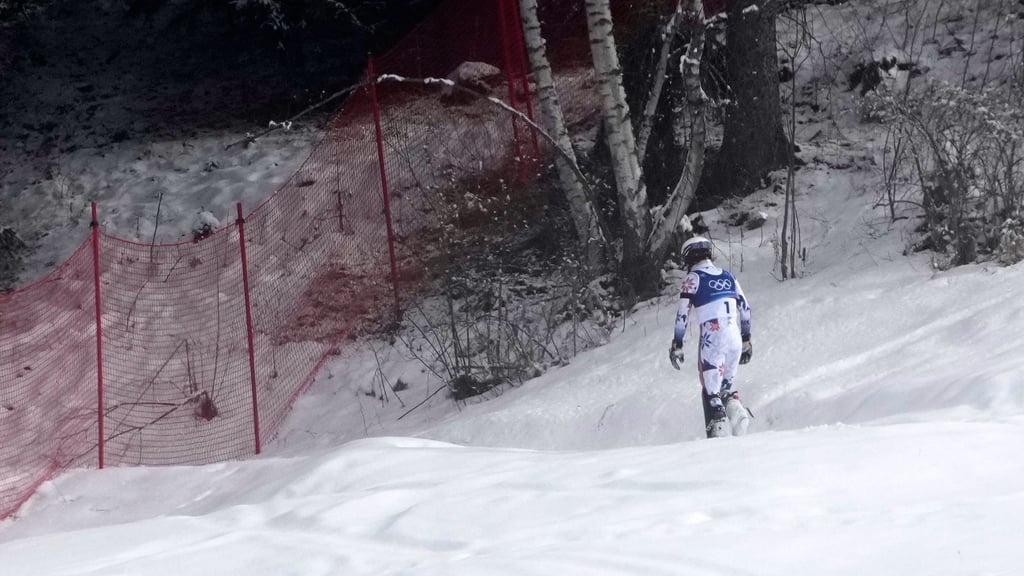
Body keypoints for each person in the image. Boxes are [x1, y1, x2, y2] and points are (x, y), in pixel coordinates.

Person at [668, 236, 753, 438]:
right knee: (725, 388)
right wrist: (746, 339)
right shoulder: (728, 276)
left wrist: (677, 344)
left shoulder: (692, 279)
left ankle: (719, 427)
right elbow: (745, 308)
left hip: (712, 336)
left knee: (710, 390)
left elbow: (682, 314)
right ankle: (736, 411)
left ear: (688, 257)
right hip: (733, 335)